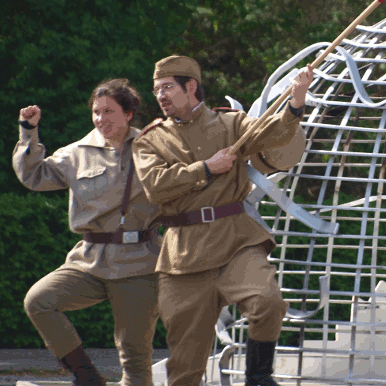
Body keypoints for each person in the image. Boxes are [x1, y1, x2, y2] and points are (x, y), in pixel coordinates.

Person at [132, 55, 313, 386]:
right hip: (183, 256)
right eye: (157, 89)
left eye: (168, 87)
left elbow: (272, 135)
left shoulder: (232, 124)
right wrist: (205, 168)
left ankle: (258, 378)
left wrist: (296, 100)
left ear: (191, 87)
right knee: (185, 368)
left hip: (235, 241)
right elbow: (156, 187)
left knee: (268, 302)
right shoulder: (150, 140)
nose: (161, 95)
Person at [13, 79, 162, 386]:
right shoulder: (76, 152)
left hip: (140, 263)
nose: (100, 118)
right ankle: (87, 377)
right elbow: (34, 175)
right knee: (39, 301)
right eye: (96, 111)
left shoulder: (154, 145)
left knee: (134, 355)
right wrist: (28, 131)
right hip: (89, 260)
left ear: (129, 114)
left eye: (109, 111)